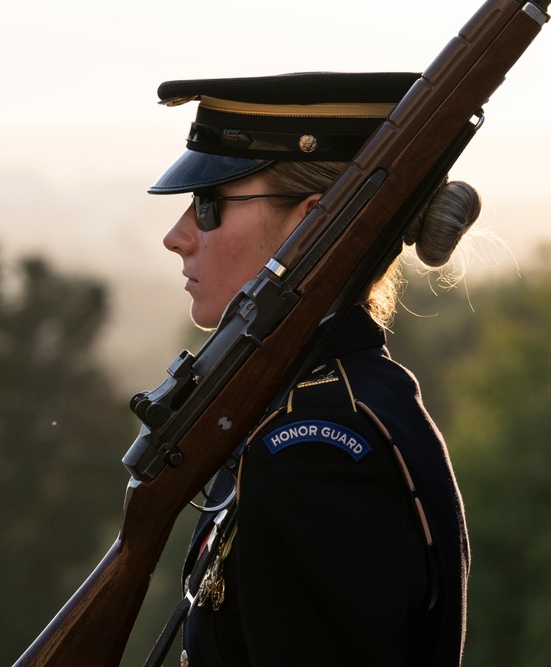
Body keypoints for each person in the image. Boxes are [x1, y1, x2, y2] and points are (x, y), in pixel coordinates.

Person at [148, 72, 478, 665]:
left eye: (207, 205)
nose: (176, 237)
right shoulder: (309, 405)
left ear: (311, 224)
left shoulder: (315, 446)